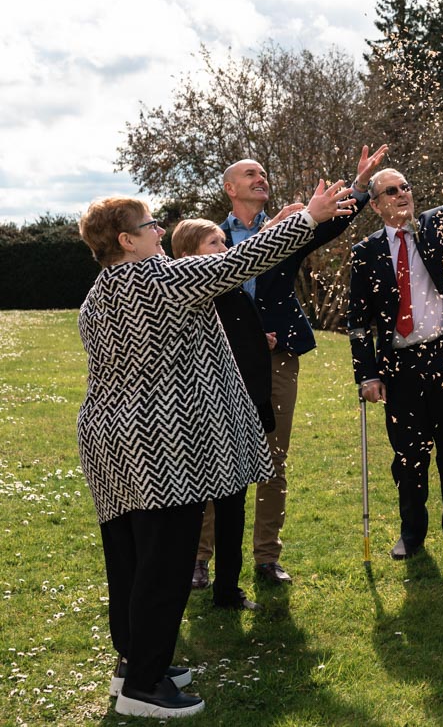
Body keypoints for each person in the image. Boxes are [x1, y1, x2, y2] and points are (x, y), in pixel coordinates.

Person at [76, 182, 352, 718]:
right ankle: (144, 688)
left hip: (112, 443)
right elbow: (237, 263)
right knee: (165, 563)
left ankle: (135, 662)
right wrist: (310, 219)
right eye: (150, 226)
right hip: (159, 447)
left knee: (131, 560)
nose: (159, 231)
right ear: (125, 241)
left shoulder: (99, 292)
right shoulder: (158, 280)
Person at [215, 144, 387, 585]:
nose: (261, 177)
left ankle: (266, 558)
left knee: (273, 457)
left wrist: (360, 184)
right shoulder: (210, 238)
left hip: (278, 358)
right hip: (223, 360)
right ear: (230, 188)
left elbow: (332, 221)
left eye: (263, 172)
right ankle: (201, 558)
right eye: (250, 173)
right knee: (218, 455)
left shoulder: (292, 228)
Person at [347, 167, 443, 566]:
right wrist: (367, 373)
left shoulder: (436, 228)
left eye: (405, 187)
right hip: (400, 366)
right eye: (391, 191)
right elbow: (357, 323)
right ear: (375, 204)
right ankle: (412, 533)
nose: (402, 194)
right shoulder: (365, 252)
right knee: (408, 456)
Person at [173, 217, 300, 610]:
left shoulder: (229, 291)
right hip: (214, 411)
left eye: (225, 241)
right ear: (189, 253)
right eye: (215, 243)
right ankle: (200, 568)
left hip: (247, 401)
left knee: (234, 501)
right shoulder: (195, 292)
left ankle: (229, 588)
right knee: (214, 496)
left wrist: (258, 340)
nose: (225, 249)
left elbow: (235, 333)